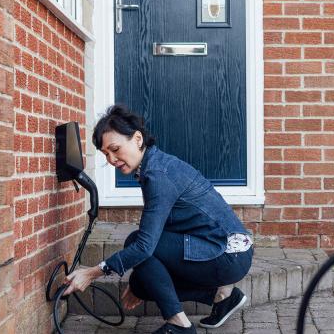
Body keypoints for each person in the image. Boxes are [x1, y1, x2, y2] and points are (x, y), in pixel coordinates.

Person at [63, 105, 253, 334]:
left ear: (137, 138)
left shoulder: (158, 176)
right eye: (106, 154)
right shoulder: (157, 164)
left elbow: (144, 246)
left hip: (227, 255)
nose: (111, 159)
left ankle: (179, 325)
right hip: (230, 250)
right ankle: (223, 297)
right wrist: (139, 284)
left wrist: (91, 273)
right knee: (143, 282)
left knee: (137, 245)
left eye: (115, 149)